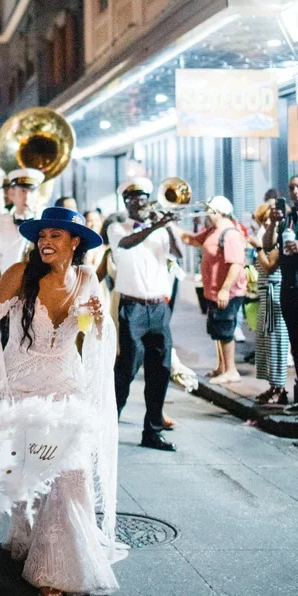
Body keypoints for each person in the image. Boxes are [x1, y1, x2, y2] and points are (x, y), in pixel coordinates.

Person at [0, 206, 123, 596]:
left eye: (56, 236)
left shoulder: (88, 279)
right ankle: (31, 537)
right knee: (34, 472)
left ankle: (55, 566)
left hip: (68, 387)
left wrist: (101, 319)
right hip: (23, 388)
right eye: (42, 236)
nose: (46, 243)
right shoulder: (20, 275)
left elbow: (107, 341)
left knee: (72, 473)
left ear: (75, 242)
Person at [109, 178, 178, 451]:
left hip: (159, 308)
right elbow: (126, 244)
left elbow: (180, 252)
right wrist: (155, 226)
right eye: (135, 197)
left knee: (160, 369)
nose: (141, 201)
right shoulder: (117, 227)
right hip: (133, 307)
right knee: (126, 369)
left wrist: (168, 226)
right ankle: (109, 426)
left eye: (144, 197)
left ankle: (152, 431)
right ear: (126, 201)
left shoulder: (159, 230)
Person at [182, 195, 246, 385]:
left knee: (226, 330)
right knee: (217, 330)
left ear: (220, 212)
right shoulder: (212, 231)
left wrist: (225, 289)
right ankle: (222, 367)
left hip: (227, 292)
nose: (206, 214)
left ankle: (231, 370)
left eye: (210, 210)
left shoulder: (230, 234)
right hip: (213, 290)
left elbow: (236, 265)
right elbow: (192, 240)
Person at [263, 174, 298, 411]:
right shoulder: (288, 218)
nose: (295, 192)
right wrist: (272, 222)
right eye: (291, 187)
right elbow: (267, 245)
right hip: (289, 289)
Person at [248, 201, 288, 406]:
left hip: (275, 293)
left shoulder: (283, 237)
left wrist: (258, 248)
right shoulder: (269, 235)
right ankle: (273, 385)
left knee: (277, 342)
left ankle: (280, 387)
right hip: (266, 294)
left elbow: (270, 265)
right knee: (266, 343)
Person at [0, 168, 45, 291]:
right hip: (5, 293)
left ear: (38, 195)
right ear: (11, 194)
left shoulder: (46, 223)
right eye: (22, 191)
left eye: (32, 191)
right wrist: (4, 298)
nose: (27, 198)